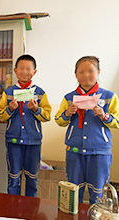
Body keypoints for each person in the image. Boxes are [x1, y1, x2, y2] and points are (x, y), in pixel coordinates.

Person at [55, 56, 119, 204]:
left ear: (98, 72)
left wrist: (105, 116)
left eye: (90, 71)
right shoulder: (69, 98)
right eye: (81, 72)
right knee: (73, 192)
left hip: (100, 153)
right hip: (74, 152)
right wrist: (67, 114)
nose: (86, 75)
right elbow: (58, 120)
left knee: (98, 193)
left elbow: (117, 121)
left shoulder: (109, 97)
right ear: (76, 75)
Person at [0, 54, 51, 197]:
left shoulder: (40, 93)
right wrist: (10, 109)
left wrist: (36, 109)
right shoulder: (8, 92)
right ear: (15, 71)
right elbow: (0, 116)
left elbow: (47, 116)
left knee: (32, 178)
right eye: (21, 68)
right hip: (13, 140)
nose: (25, 72)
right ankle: (13, 207)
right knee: (13, 177)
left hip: (33, 141)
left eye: (28, 69)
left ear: (34, 72)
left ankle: (30, 209)